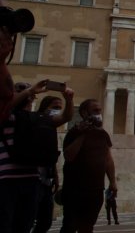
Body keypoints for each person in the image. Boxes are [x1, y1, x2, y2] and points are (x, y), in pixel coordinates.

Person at [60, 99, 117, 233]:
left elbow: (108, 159)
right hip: (74, 189)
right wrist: (83, 134)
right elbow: (69, 156)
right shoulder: (74, 132)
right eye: (95, 110)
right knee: (70, 226)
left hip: (96, 189)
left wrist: (113, 182)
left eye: (99, 110)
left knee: (87, 227)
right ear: (85, 113)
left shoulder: (103, 134)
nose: (99, 113)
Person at [0, 81, 49, 233]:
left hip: (31, 177)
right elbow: (4, 109)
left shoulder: (34, 118)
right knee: (4, 224)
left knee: (25, 225)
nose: (24, 92)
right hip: (6, 179)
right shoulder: (6, 116)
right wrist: (28, 92)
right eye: (19, 89)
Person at [33, 93, 75, 233]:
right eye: (55, 107)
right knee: (26, 219)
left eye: (59, 107)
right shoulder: (35, 122)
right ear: (44, 108)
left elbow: (50, 155)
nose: (57, 110)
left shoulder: (50, 128)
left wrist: (55, 176)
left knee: (45, 221)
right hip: (32, 178)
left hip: (46, 180)